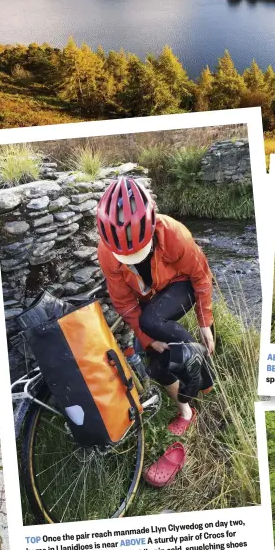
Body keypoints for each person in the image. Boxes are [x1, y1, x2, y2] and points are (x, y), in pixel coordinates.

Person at [96, 176, 215, 436]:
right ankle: (187, 410)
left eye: (138, 252)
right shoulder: (106, 254)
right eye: (125, 257)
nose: (131, 260)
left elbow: (201, 277)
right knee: (156, 365)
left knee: (151, 320)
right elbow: (124, 302)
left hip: (180, 287)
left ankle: (202, 371)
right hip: (149, 304)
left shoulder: (173, 233)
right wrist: (148, 341)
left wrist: (205, 322)